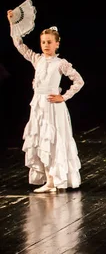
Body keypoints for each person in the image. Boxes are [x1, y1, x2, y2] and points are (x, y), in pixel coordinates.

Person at [7, 10, 84, 193]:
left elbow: (79, 81)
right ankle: (49, 180)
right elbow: (19, 44)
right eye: (43, 42)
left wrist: (63, 96)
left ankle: (55, 179)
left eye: (49, 42)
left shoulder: (60, 63)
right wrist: (12, 24)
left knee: (54, 140)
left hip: (53, 106)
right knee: (41, 139)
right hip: (38, 106)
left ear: (57, 44)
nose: (46, 45)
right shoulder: (37, 59)